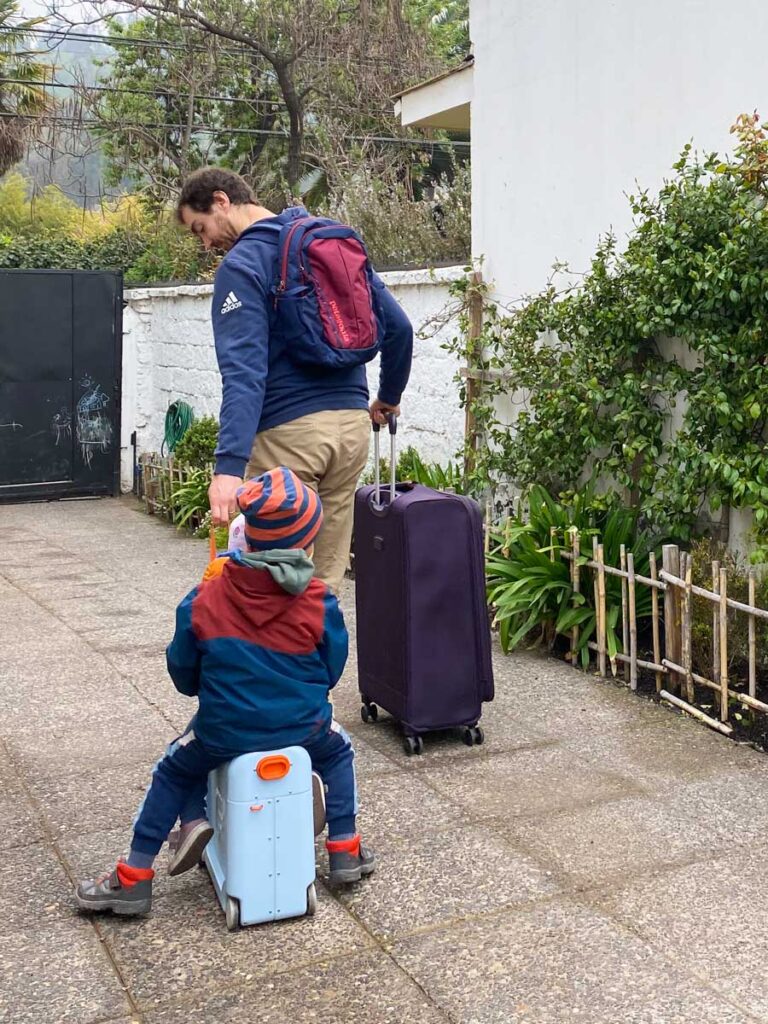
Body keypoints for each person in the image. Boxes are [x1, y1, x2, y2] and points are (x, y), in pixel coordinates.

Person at [75, 467, 374, 917]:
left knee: (176, 767)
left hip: (224, 731)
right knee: (341, 752)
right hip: (305, 727)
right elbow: (332, 668)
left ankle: (135, 875)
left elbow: (183, 673)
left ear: (247, 537)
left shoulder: (204, 598)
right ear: (307, 544)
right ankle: (345, 850)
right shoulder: (319, 601)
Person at [176, 167, 414, 595]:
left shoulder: (243, 264)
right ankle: (320, 663)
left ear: (221, 201)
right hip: (351, 432)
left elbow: (245, 373)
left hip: (290, 440)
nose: (206, 242)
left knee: (276, 588)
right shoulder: (323, 243)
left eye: (201, 228)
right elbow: (400, 328)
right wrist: (388, 396)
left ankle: (276, 663)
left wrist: (228, 467)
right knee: (323, 586)